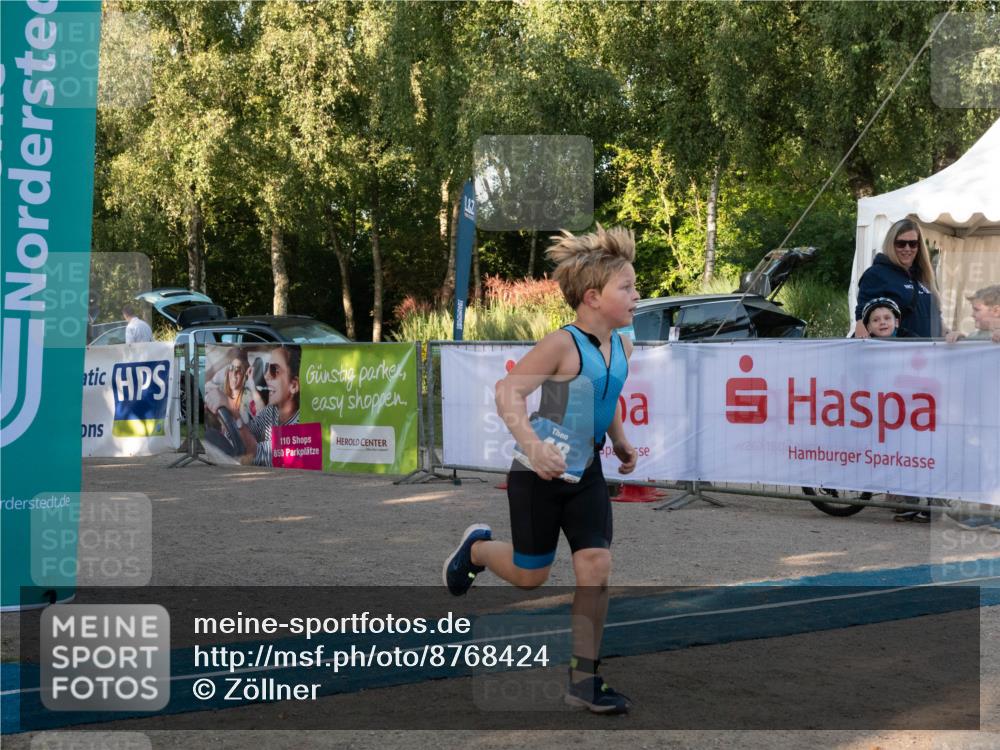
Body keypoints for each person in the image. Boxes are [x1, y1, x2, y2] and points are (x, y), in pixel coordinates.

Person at [443, 225, 640, 715]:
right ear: (593, 298)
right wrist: (533, 447)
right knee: (532, 576)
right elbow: (508, 392)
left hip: (587, 474)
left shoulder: (623, 344)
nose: (638, 296)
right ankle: (480, 550)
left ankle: (583, 680)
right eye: (628, 288)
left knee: (596, 566)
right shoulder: (560, 344)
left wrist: (618, 438)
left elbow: (605, 393)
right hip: (537, 474)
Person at [854, 219, 947, 339]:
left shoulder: (923, 275)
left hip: (929, 352)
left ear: (919, 246)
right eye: (901, 243)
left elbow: (937, 319)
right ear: (891, 244)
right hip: (898, 353)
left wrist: (949, 334)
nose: (907, 248)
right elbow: (863, 318)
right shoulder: (876, 274)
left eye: (913, 243)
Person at [203, 348, 254, 453]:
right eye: (231, 368)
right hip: (220, 446)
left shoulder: (248, 396)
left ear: (245, 374)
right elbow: (202, 380)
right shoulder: (220, 390)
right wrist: (225, 360)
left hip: (240, 447)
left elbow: (260, 413)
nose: (234, 373)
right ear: (227, 371)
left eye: (239, 370)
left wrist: (253, 386)